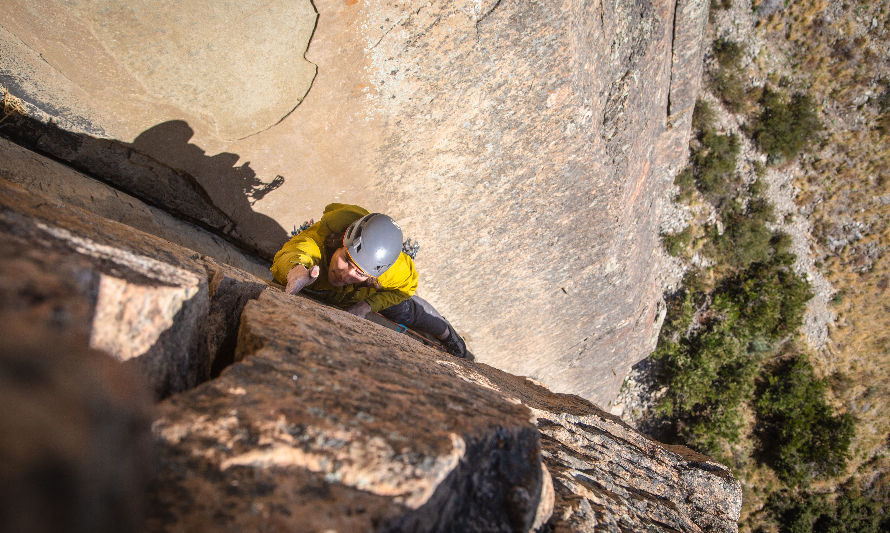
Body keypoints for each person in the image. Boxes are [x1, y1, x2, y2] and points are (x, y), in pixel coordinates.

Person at [271, 203, 474, 360]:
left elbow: (406, 288)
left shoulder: (390, 270)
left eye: (358, 272)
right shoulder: (317, 241)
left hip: (361, 295)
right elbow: (296, 252)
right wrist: (295, 272)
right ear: (341, 242)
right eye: (346, 260)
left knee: (407, 310)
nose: (344, 274)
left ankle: (449, 335)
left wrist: (367, 305)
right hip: (315, 282)